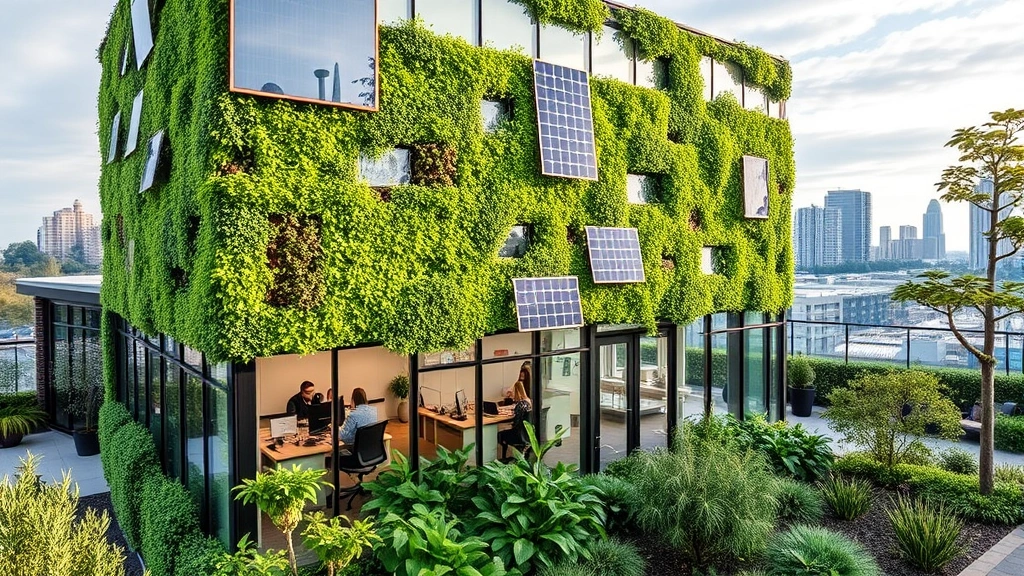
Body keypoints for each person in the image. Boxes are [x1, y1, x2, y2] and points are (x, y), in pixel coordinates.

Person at [498, 375, 532, 460]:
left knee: (500, 434)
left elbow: (515, 422)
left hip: (518, 434)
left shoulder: (520, 405)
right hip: (527, 433)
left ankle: (503, 457)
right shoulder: (528, 402)